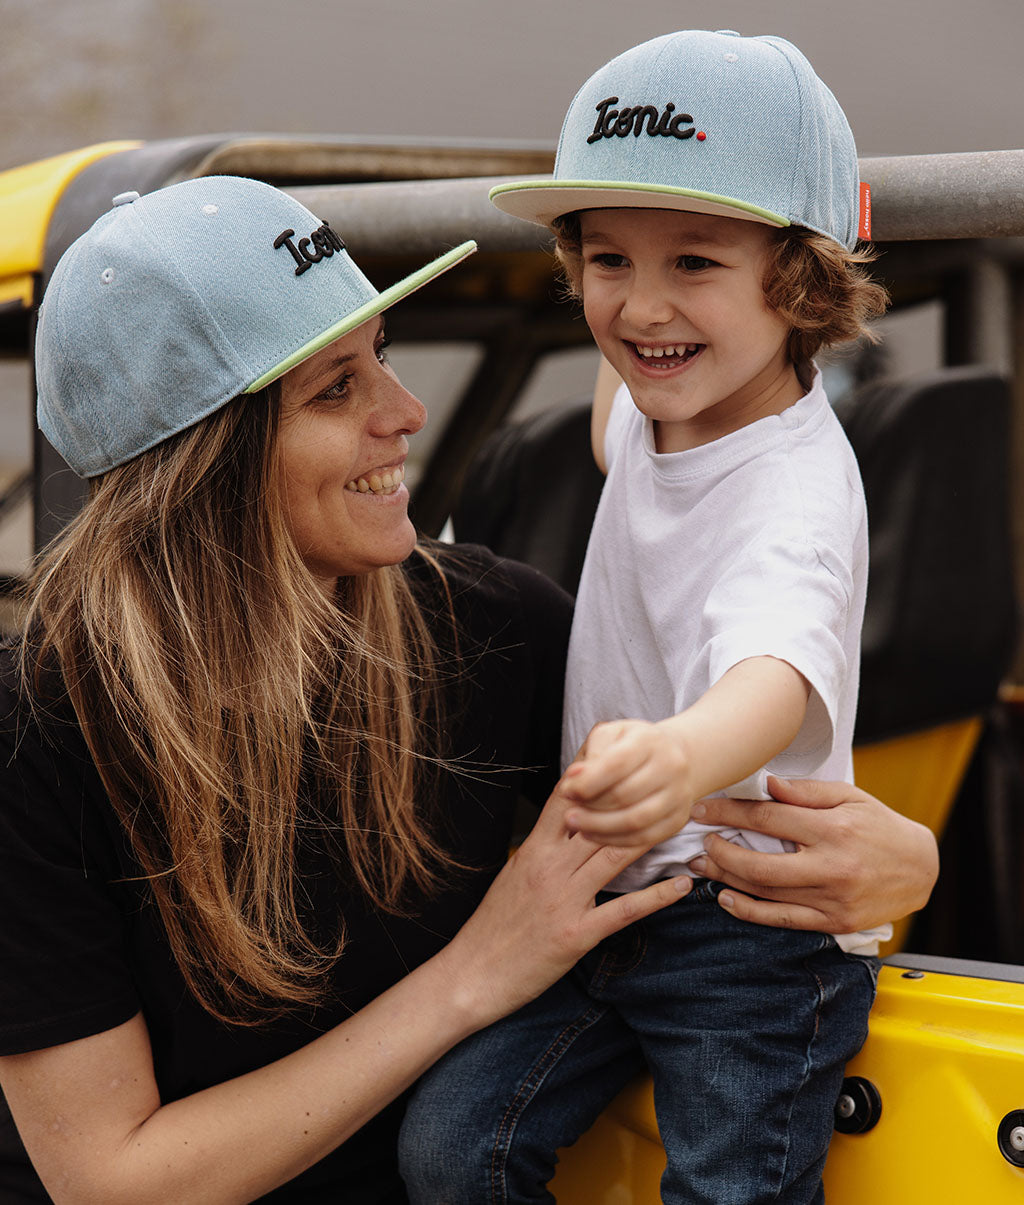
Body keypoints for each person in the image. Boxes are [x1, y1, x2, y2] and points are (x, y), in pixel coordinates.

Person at [0, 175, 692, 1204]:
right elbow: (114, 1181)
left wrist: (891, 860)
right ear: (199, 466)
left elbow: (716, 839)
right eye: (335, 389)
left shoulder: (490, 623)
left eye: (381, 358)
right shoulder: (38, 726)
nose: (404, 413)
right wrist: (475, 973)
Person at [400, 30, 895, 1204]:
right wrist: (648, 344)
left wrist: (677, 753)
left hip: (746, 926)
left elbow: (772, 673)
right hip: (610, 893)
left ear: (804, 280)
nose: (641, 304)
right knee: (450, 1148)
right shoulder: (665, 408)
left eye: (695, 263)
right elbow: (618, 411)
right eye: (607, 259)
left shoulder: (793, 501)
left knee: (731, 1187)